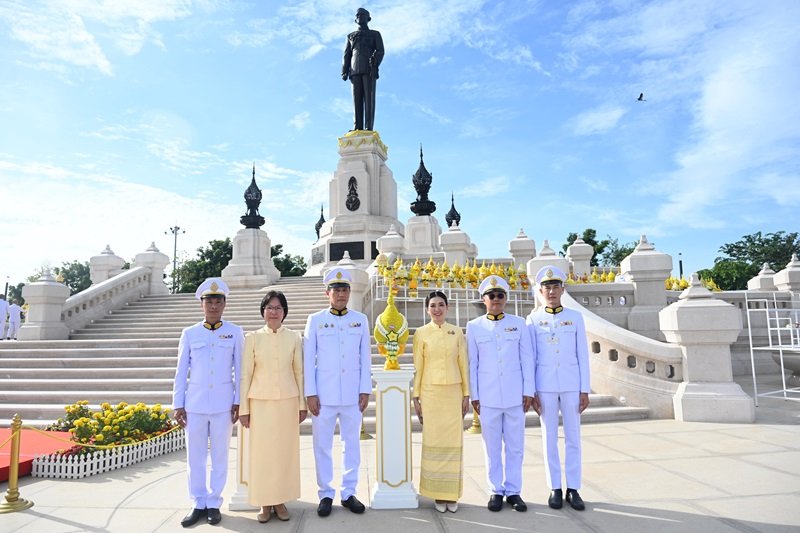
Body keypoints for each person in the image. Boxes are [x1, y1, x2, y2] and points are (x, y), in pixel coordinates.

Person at [172, 278, 243, 527]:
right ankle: (198, 502)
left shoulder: (235, 332)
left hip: (224, 404)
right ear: (202, 305)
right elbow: (181, 371)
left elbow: (240, 369)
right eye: (209, 301)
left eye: (218, 301)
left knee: (221, 455)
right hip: (195, 403)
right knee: (195, 456)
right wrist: (177, 404)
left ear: (224, 304)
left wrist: (238, 401)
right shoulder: (190, 333)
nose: (213, 306)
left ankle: (214, 502)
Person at [304, 267, 371, 517]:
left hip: (353, 394)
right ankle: (325, 493)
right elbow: (308, 359)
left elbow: (365, 357)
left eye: (344, 289)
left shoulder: (360, 319)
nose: (341, 293)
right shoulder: (316, 320)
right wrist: (310, 393)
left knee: (351, 443)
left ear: (349, 292)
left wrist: (365, 388)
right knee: (322, 445)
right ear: (327, 292)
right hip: (324, 395)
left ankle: (348, 492)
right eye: (336, 289)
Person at [467, 275, 534, 512]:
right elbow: (472, 364)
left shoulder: (519, 323)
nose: (496, 300)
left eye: (500, 296)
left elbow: (527, 359)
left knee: (515, 446)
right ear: (483, 299)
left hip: (516, 395)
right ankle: (495, 490)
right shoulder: (474, 327)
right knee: (492, 446)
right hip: (488, 396)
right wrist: (475, 394)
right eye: (491, 296)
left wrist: (528, 390)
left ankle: (514, 490)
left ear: (505, 299)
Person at [526, 266, 590, 511]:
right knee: (549, 438)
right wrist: (531, 392)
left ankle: (573, 487)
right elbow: (530, 358)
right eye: (547, 287)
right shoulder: (533, 319)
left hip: (572, 384)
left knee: (573, 437)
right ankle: (555, 487)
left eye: (555, 287)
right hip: (545, 386)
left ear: (562, 289)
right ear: (540, 291)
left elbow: (583, 355)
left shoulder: (575, 317)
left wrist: (584, 389)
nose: (551, 291)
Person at [239, 291, 307, 523]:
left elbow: (299, 371)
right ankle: (264, 502)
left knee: (283, 454)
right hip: (260, 403)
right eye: (269, 307)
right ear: (263, 311)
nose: (273, 312)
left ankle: (280, 500)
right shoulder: (252, 338)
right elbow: (245, 375)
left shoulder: (294, 337)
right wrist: (244, 409)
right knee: (262, 455)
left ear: (284, 312)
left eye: (278, 308)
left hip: (288, 401)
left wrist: (302, 404)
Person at [412, 290, 470, 513]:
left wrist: (466, 394)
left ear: (448, 307)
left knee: (453, 444)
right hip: (431, 394)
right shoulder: (421, 333)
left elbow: (463, 363)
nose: (437, 309)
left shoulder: (457, 332)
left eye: (441, 305)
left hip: (453, 392)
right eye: (433, 305)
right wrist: (416, 397)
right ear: (427, 309)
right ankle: (437, 493)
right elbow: (418, 365)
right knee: (434, 443)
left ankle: (451, 494)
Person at [342, 7, 384, 131]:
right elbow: (347, 54)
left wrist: (375, 60)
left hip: (369, 68)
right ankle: (357, 126)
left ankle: (368, 127)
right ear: (355, 19)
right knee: (356, 99)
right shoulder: (351, 36)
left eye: (362, 14)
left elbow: (381, 50)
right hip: (354, 69)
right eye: (358, 15)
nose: (360, 16)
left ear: (368, 18)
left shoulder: (375, 34)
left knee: (369, 98)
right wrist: (345, 70)